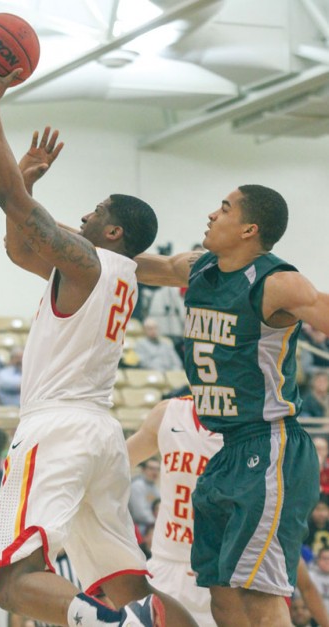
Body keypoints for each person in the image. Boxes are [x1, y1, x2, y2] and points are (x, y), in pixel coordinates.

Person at [0, 41, 197, 627]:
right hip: (101, 435)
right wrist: (28, 189)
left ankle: (111, 626)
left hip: (58, 427)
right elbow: (20, 245)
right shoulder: (115, 273)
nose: (84, 217)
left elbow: (7, 200)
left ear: (112, 230)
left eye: (93, 213)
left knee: (14, 584)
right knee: (124, 581)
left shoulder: (90, 261)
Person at [133, 183, 329, 625]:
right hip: (229, 447)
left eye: (224, 208)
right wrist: (57, 234)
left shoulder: (278, 281)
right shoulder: (199, 268)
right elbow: (142, 264)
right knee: (221, 594)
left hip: (271, 443)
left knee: (258, 596)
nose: (211, 214)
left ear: (249, 229)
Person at [126, 396, 223, 626]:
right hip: (165, 565)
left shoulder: (247, 426)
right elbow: (116, 462)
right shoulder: (168, 413)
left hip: (216, 573)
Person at [128, 458, 161, 536]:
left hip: (151, 525)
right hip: (137, 527)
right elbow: (140, 514)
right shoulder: (137, 485)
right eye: (151, 468)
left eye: (157, 469)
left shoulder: (154, 488)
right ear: (143, 470)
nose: (155, 472)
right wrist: (158, 524)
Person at [308, 547, 329, 615]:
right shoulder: (309, 575)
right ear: (318, 560)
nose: (327, 562)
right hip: (313, 615)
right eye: (324, 558)